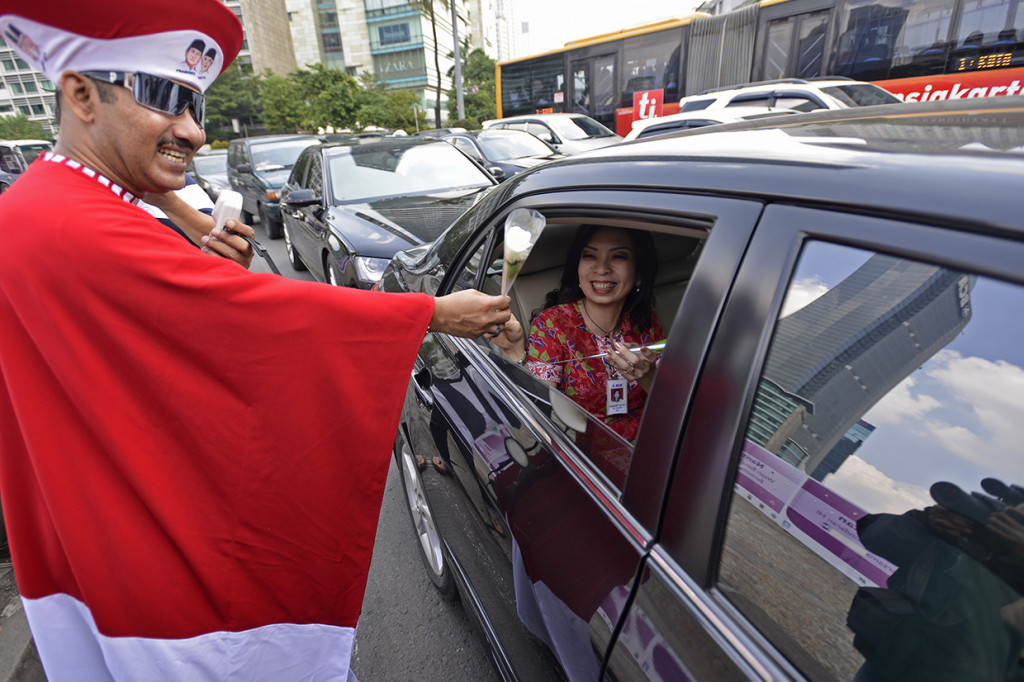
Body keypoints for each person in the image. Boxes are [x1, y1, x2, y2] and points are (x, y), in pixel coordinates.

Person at [0, 1, 510, 680]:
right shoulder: (71, 226)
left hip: (107, 551)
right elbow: (262, 320)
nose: (193, 131)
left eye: (197, 106)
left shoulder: (50, 205)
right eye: (165, 98)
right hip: (167, 596)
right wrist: (434, 313)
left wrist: (181, 220)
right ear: (80, 95)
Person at [526, 226, 662, 444]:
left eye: (618, 256)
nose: (602, 268)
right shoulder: (552, 325)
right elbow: (538, 410)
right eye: (590, 255)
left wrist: (648, 377)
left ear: (638, 273)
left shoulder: (645, 320)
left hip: (651, 440)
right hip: (585, 451)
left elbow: (670, 402)